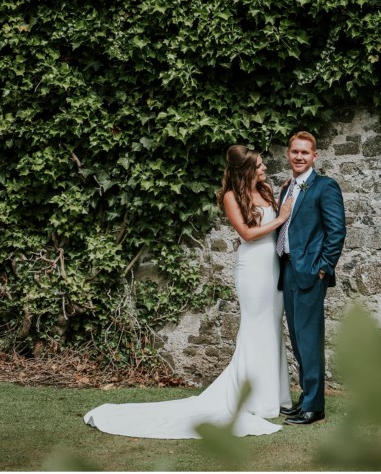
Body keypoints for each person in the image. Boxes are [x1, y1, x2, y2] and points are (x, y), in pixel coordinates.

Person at [83, 145, 294, 438]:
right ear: (245, 170)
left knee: (272, 326)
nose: (264, 169)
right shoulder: (232, 197)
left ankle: (275, 396)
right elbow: (246, 234)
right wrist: (280, 218)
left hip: (272, 266)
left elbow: (275, 217)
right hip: (253, 268)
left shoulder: (267, 190)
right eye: (259, 166)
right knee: (255, 327)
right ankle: (256, 399)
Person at [276, 131, 346, 425]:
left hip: (310, 274)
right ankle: (305, 398)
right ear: (288, 154)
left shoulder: (325, 187)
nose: (300, 157)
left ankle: (314, 407)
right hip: (288, 270)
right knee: (297, 337)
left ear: (315, 156)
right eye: (295, 152)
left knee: (310, 340)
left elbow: (336, 231)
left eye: (305, 152)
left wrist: (323, 268)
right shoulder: (286, 189)